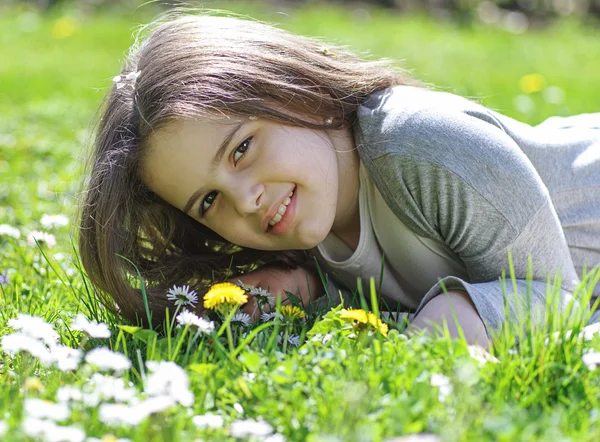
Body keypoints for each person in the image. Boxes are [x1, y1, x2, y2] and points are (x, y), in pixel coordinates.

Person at [79, 12, 600, 347]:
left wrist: (451, 316)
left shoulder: (421, 143)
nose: (246, 202)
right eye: (209, 199)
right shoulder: (310, 209)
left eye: (241, 149)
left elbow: (558, 299)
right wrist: (311, 288)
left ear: (295, 92)